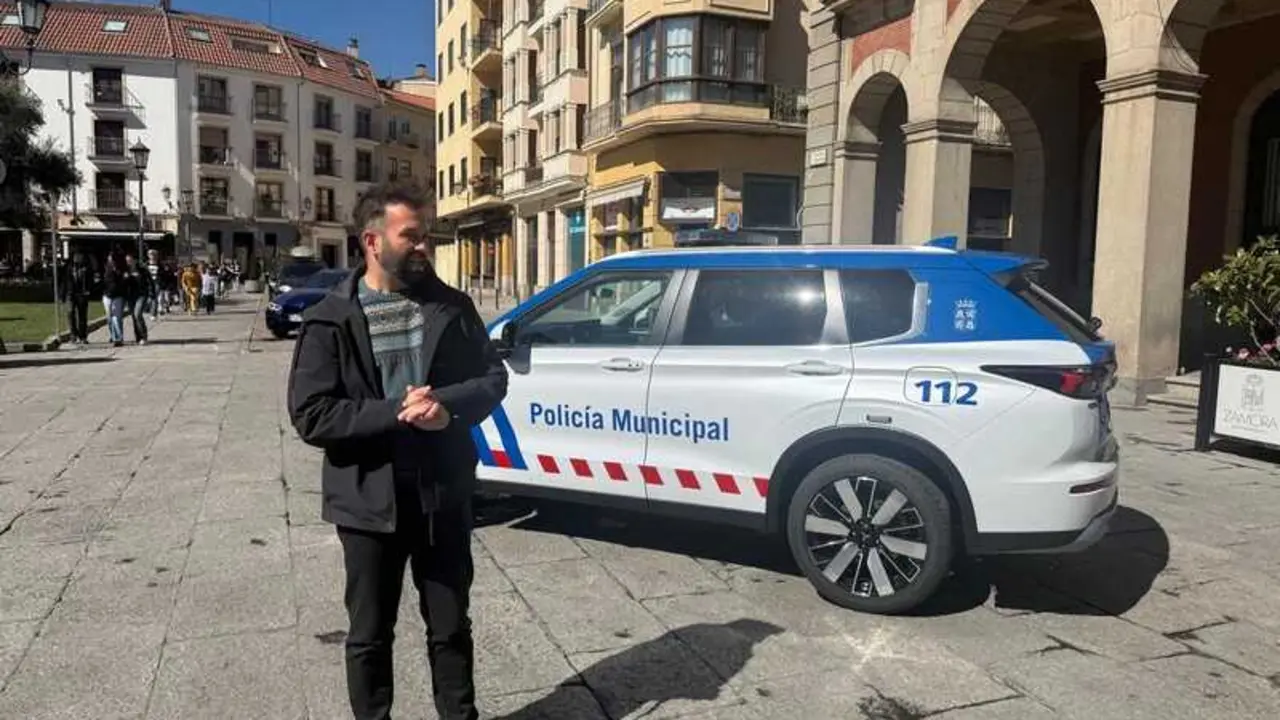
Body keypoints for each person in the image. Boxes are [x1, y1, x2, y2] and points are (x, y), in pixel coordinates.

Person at [287, 181, 507, 720]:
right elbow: (311, 412)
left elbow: (492, 378)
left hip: (442, 496)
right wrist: (394, 411)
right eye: (410, 236)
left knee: (451, 628)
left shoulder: (451, 307)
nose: (422, 246)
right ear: (371, 240)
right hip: (366, 504)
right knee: (368, 636)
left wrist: (446, 408)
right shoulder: (330, 319)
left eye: (424, 236)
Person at [61, 251, 98, 345]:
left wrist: (89, 290)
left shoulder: (86, 268)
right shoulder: (68, 268)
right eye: (76, 256)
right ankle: (73, 334)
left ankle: (83, 336)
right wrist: (62, 294)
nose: (78, 258)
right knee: (70, 312)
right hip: (70, 293)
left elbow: (91, 280)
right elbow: (64, 281)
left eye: (80, 256)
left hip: (82, 294)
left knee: (82, 316)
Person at [122, 253, 151, 344]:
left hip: (141, 295)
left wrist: (151, 295)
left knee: (137, 314)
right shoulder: (125, 271)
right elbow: (122, 285)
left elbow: (149, 282)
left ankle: (143, 336)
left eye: (130, 260)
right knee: (134, 317)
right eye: (127, 261)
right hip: (130, 296)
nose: (129, 262)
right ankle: (138, 337)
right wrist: (125, 279)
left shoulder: (142, 270)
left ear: (134, 260)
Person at [101, 256, 126, 347]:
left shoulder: (120, 271)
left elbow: (123, 283)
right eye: (110, 260)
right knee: (109, 318)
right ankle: (113, 335)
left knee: (116, 318)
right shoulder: (105, 271)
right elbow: (101, 283)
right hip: (107, 296)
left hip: (117, 296)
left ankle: (118, 338)